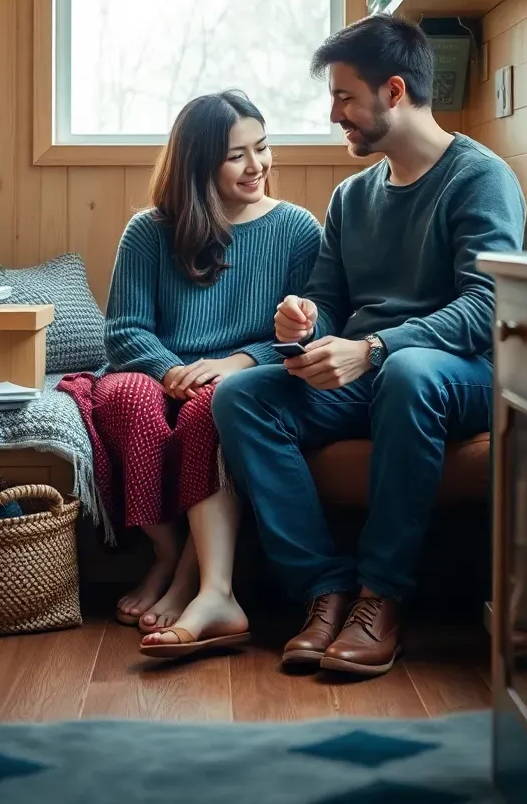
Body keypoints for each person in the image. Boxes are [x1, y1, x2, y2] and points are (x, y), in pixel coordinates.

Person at [212, 16, 526, 678]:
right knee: (243, 395)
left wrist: (375, 347)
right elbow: (329, 299)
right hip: (371, 370)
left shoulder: (480, 178)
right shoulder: (352, 197)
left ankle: (381, 599)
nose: (335, 115)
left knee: (409, 372)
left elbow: (488, 306)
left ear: (393, 91)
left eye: (344, 97)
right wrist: (303, 320)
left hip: (456, 374)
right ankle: (324, 591)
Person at [60, 91, 321, 660]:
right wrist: (170, 369)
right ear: (198, 162)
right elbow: (125, 330)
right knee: (126, 398)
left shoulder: (298, 230)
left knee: (216, 405)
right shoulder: (149, 231)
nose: (256, 166)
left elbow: (306, 336)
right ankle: (165, 552)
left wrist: (236, 364)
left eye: (263, 147)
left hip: (236, 380)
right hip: (156, 373)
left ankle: (186, 583)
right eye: (236, 155)